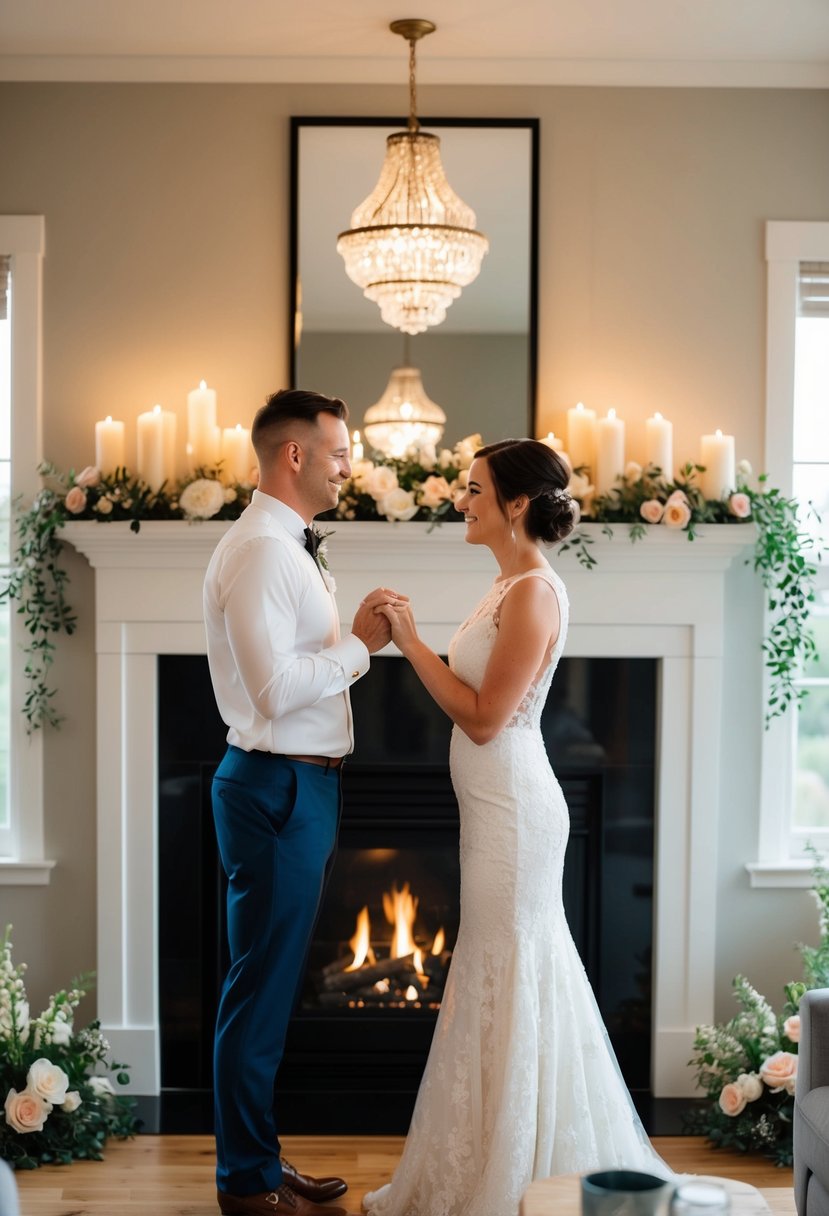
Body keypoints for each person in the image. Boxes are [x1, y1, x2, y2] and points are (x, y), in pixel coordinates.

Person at [363, 439, 670, 1216]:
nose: (460, 500)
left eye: (472, 490)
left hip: (514, 813)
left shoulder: (532, 591)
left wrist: (407, 645)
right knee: (500, 973)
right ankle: (493, 1159)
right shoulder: (504, 585)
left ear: (516, 504)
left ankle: (512, 1177)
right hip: (493, 812)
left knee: (508, 970)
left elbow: (484, 717)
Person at [204, 388, 399, 1216]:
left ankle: (257, 1159)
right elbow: (274, 692)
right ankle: (245, 1184)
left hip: (300, 782)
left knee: (271, 989)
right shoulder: (261, 551)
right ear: (294, 456)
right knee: (259, 992)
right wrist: (362, 646)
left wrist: (349, 639)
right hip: (277, 782)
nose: (350, 463)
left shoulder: (289, 546)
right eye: (340, 451)